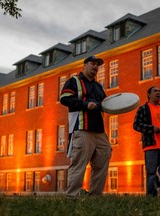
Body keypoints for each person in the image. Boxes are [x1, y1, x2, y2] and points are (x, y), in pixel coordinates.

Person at [60, 55, 112, 197]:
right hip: (82, 129)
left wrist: (114, 105)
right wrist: (85, 105)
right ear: (85, 65)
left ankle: (95, 196)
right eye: (93, 64)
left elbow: (105, 104)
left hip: (99, 131)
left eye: (98, 65)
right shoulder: (73, 81)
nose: (96, 67)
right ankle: (72, 196)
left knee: (103, 160)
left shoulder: (98, 86)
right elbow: (64, 98)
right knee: (79, 164)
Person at [133, 86, 160, 200]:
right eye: (155, 91)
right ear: (149, 95)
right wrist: (152, 129)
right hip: (151, 146)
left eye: (159, 91)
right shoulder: (144, 109)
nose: (158, 92)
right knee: (151, 174)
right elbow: (136, 125)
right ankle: (151, 199)